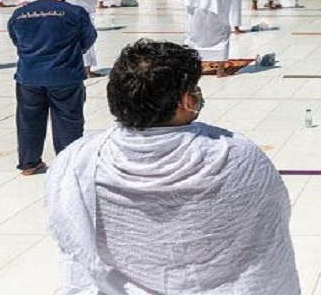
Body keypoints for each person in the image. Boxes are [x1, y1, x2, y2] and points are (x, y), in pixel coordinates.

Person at [45, 39, 300, 294]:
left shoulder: (77, 160)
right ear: (185, 101)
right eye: (194, 89)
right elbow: (270, 225)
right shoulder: (237, 154)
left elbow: (70, 233)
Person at [7, 0, 97, 176]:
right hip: (64, 74)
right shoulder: (74, 12)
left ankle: (29, 164)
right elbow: (88, 38)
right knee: (68, 119)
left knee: (29, 120)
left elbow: (16, 40)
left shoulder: (19, 14)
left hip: (29, 76)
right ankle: (66, 164)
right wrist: (71, 53)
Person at [182, 0, 235, 76]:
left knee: (195, 38)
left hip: (195, 11)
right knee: (220, 38)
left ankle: (196, 68)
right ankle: (220, 70)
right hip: (216, 10)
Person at [63, 0, 102, 79]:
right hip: (82, 17)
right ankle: (86, 71)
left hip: (64, 17)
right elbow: (93, 2)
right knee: (86, 44)